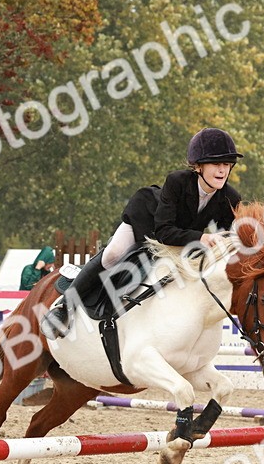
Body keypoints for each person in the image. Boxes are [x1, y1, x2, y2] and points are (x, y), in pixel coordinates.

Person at [45, 127, 244, 336]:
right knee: (113, 253)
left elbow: (222, 240)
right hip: (147, 221)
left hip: (180, 238)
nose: (222, 170)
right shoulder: (177, 182)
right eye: (216, 164)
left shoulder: (230, 197)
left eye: (227, 164)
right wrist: (203, 237)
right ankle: (63, 307)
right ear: (198, 166)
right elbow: (164, 231)